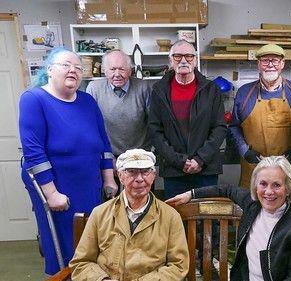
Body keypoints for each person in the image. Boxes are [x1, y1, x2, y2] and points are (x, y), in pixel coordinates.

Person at [18, 47, 118, 275]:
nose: (73, 70)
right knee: (63, 243)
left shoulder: (87, 101)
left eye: (78, 67)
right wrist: (52, 194)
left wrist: (109, 179)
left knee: (92, 237)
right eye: (66, 65)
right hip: (55, 184)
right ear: (50, 70)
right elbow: (34, 153)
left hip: (89, 182)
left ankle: (90, 276)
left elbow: (103, 144)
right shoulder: (34, 99)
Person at [167, 156, 291, 280]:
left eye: (277, 185)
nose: (268, 192)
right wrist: (190, 194)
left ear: (288, 188)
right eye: (263, 184)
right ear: (255, 186)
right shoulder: (254, 205)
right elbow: (227, 189)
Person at [70, 149, 189, 280]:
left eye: (145, 172)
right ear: (120, 176)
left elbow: (178, 266)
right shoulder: (100, 213)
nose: (139, 179)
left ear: (153, 175)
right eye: (132, 172)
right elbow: (81, 263)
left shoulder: (170, 217)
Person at [148, 39, 226, 199]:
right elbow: (155, 131)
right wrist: (179, 161)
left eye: (189, 56)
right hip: (174, 171)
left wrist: (200, 159)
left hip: (206, 169)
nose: (183, 60)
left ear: (195, 60)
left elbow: (219, 128)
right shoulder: (159, 90)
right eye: (177, 56)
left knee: (207, 219)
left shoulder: (211, 89)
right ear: (170, 61)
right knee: (177, 219)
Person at [229, 43, 291, 188]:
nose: (270, 65)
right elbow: (234, 127)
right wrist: (244, 150)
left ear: (282, 64)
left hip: (286, 169)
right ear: (258, 64)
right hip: (254, 169)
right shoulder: (244, 93)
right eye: (265, 60)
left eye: (275, 60)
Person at [86, 49, 151, 157]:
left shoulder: (143, 88)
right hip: (107, 153)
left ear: (130, 71)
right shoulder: (94, 89)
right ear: (105, 70)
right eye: (112, 69)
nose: (117, 74)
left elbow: (154, 122)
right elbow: (90, 127)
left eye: (122, 69)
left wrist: (148, 153)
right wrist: (106, 155)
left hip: (140, 154)